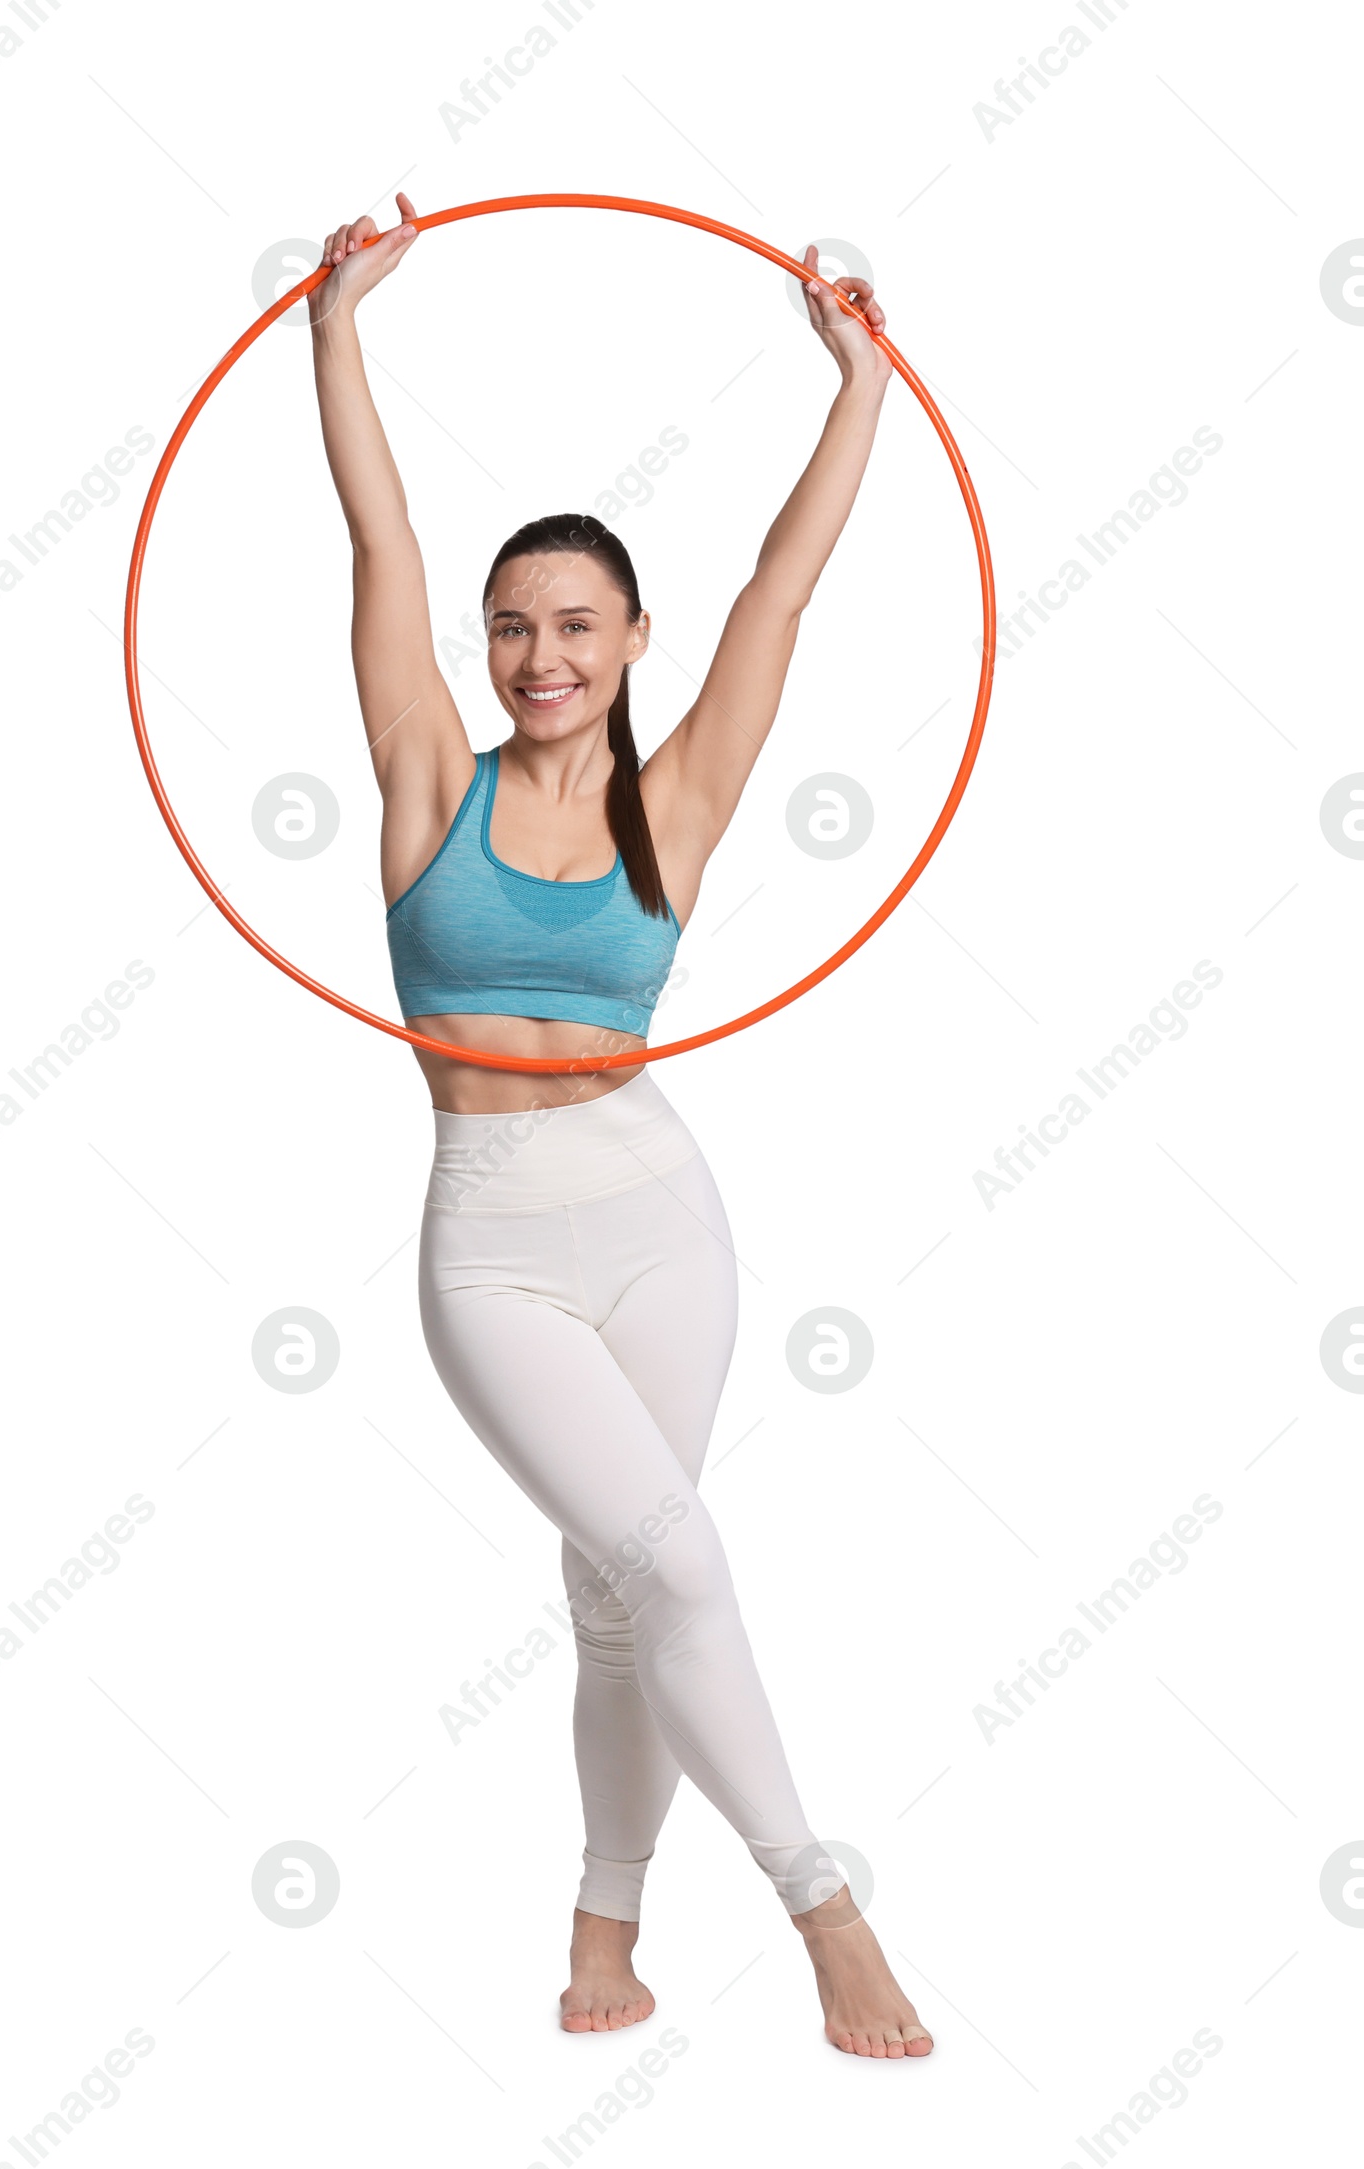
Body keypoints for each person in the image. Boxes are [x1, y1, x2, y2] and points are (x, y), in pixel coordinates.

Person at [308, 193, 932, 2059]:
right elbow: (378, 531)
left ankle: (608, 1919)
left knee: (619, 1585)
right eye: (512, 627)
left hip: (659, 1202)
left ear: (630, 632)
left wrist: (862, 379)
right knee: (676, 1558)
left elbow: (784, 587)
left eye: (574, 622)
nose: (536, 653)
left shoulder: (688, 788)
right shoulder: (429, 767)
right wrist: (338, 325)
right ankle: (825, 1906)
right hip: (492, 1229)